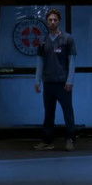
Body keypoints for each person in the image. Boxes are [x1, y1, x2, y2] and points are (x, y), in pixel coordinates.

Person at [33, 9, 77, 151]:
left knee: (67, 112)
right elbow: (40, 62)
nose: (52, 22)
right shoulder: (43, 41)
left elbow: (72, 61)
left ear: (59, 21)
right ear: (47, 22)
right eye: (50, 20)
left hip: (63, 83)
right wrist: (37, 81)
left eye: (55, 20)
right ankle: (47, 141)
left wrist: (70, 80)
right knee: (49, 113)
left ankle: (70, 139)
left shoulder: (67, 39)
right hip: (48, 82)